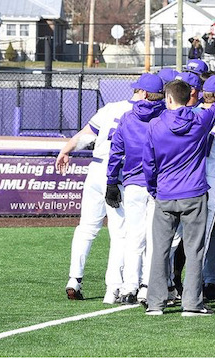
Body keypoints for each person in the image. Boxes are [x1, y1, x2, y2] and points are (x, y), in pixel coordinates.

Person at [142, 63, 215, 316]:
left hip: (165, 194)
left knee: (160, 250)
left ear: (169, 98)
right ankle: (192, 304)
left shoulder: (155, 125)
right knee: (194, 250)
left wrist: (154, 188)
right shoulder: (199, 120)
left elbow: (148, 163)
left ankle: (155, 303)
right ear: (189, 98)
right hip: (193, 193)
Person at [58, 95, 134, 303]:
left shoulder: (112, 107)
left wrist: (66, 149)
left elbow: (86, 135)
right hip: (118, 171)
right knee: (120, 233)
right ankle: (113, 289)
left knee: (86, 227)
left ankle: (74, 279)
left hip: (96, 169)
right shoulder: (150, 110)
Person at [105, 73, 166, 304]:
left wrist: (111, 181)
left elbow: (116, 152)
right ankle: (146, 285)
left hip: (132, 183)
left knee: (133, 237)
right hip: (159, 185)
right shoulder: (165, 117)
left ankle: (129, 286)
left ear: (143, 93)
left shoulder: (128, 118)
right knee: (154, 237)